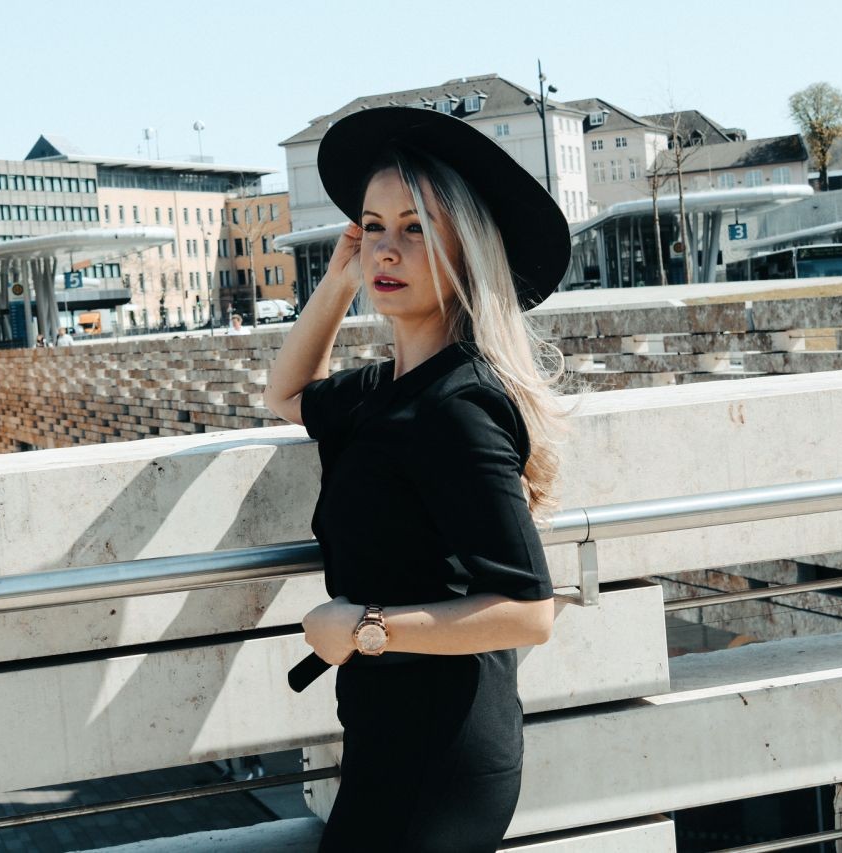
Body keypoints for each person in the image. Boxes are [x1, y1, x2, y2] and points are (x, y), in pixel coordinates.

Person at [263, 106, 574, 852]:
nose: (386, 248)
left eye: (415, 228)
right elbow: (287, 393)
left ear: (464, 247)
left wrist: (364, 628)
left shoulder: (456, 406)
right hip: (393, 737)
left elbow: (529, 610)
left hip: (438, 758)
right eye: (372, 227)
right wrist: (338, 282)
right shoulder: (382, 392)